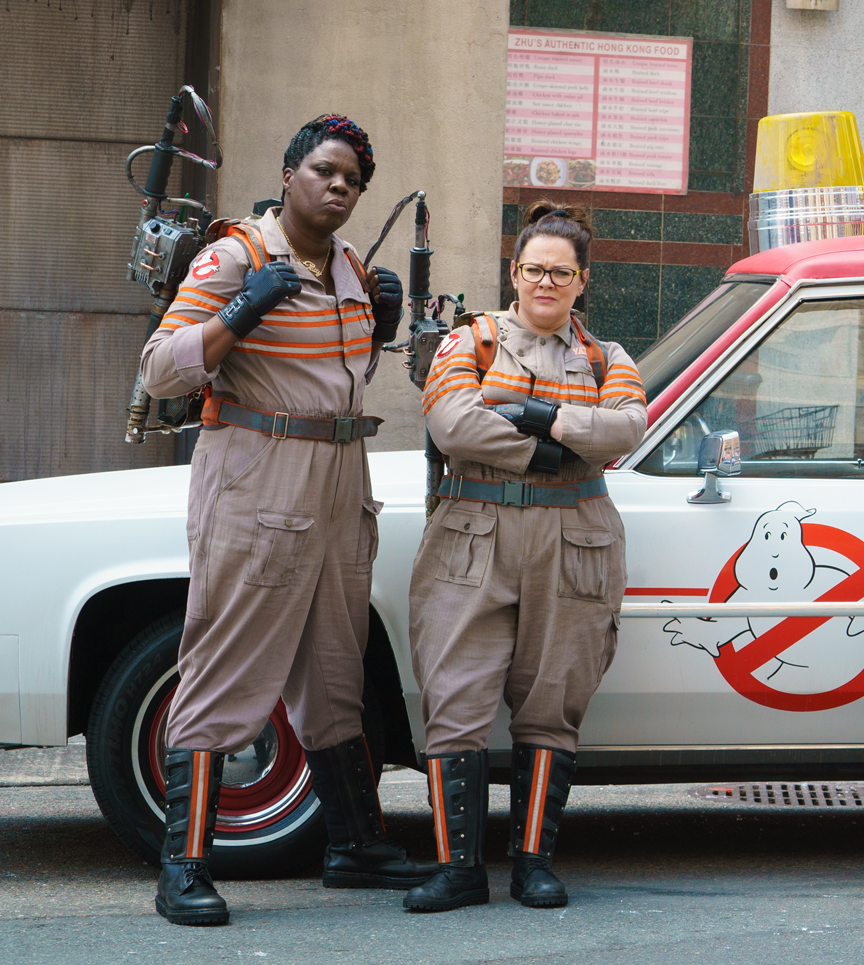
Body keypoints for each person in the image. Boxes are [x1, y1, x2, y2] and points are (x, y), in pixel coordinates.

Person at [138, 114, 424, 925]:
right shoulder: (238, 256)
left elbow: (338, 373)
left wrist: (383, 326)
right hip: (259, 478)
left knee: (336, 667)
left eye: (353, 181)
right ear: (292, 171)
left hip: (340, 476)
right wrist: (238, 314)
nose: (339, 187)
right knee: (226, 661)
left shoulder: (346, 265)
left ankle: (354, 845)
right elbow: (161, 366)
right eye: (326, 171)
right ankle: (183, 867)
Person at [403, 201, 647, 914]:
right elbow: (451, 421)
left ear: (581, 282)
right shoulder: (470, 343)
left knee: (552, 704)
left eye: (560, 273)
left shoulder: (608, 357)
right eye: (534, 269)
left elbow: (628, 426)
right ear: (513, 273)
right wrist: (555, 450)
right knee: (455, 697)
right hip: (473, 536)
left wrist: (539, 416)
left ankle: (534, 863)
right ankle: (457, 870)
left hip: (574, 540)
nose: (546, 282)